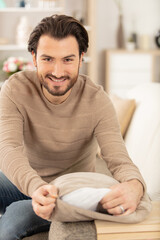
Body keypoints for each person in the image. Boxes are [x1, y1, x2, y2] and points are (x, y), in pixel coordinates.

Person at [0, 14, 144, 239]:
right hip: (25, 181)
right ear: (34, 57)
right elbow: (7, 148)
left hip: (68, 192)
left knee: (10, 224)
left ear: (81, 58)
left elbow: (119, 159)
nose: (57, 72)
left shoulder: (97, 100)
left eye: (67, 60)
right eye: (48, 59)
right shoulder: (15, 89)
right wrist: (35, 187)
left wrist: (135, 186)